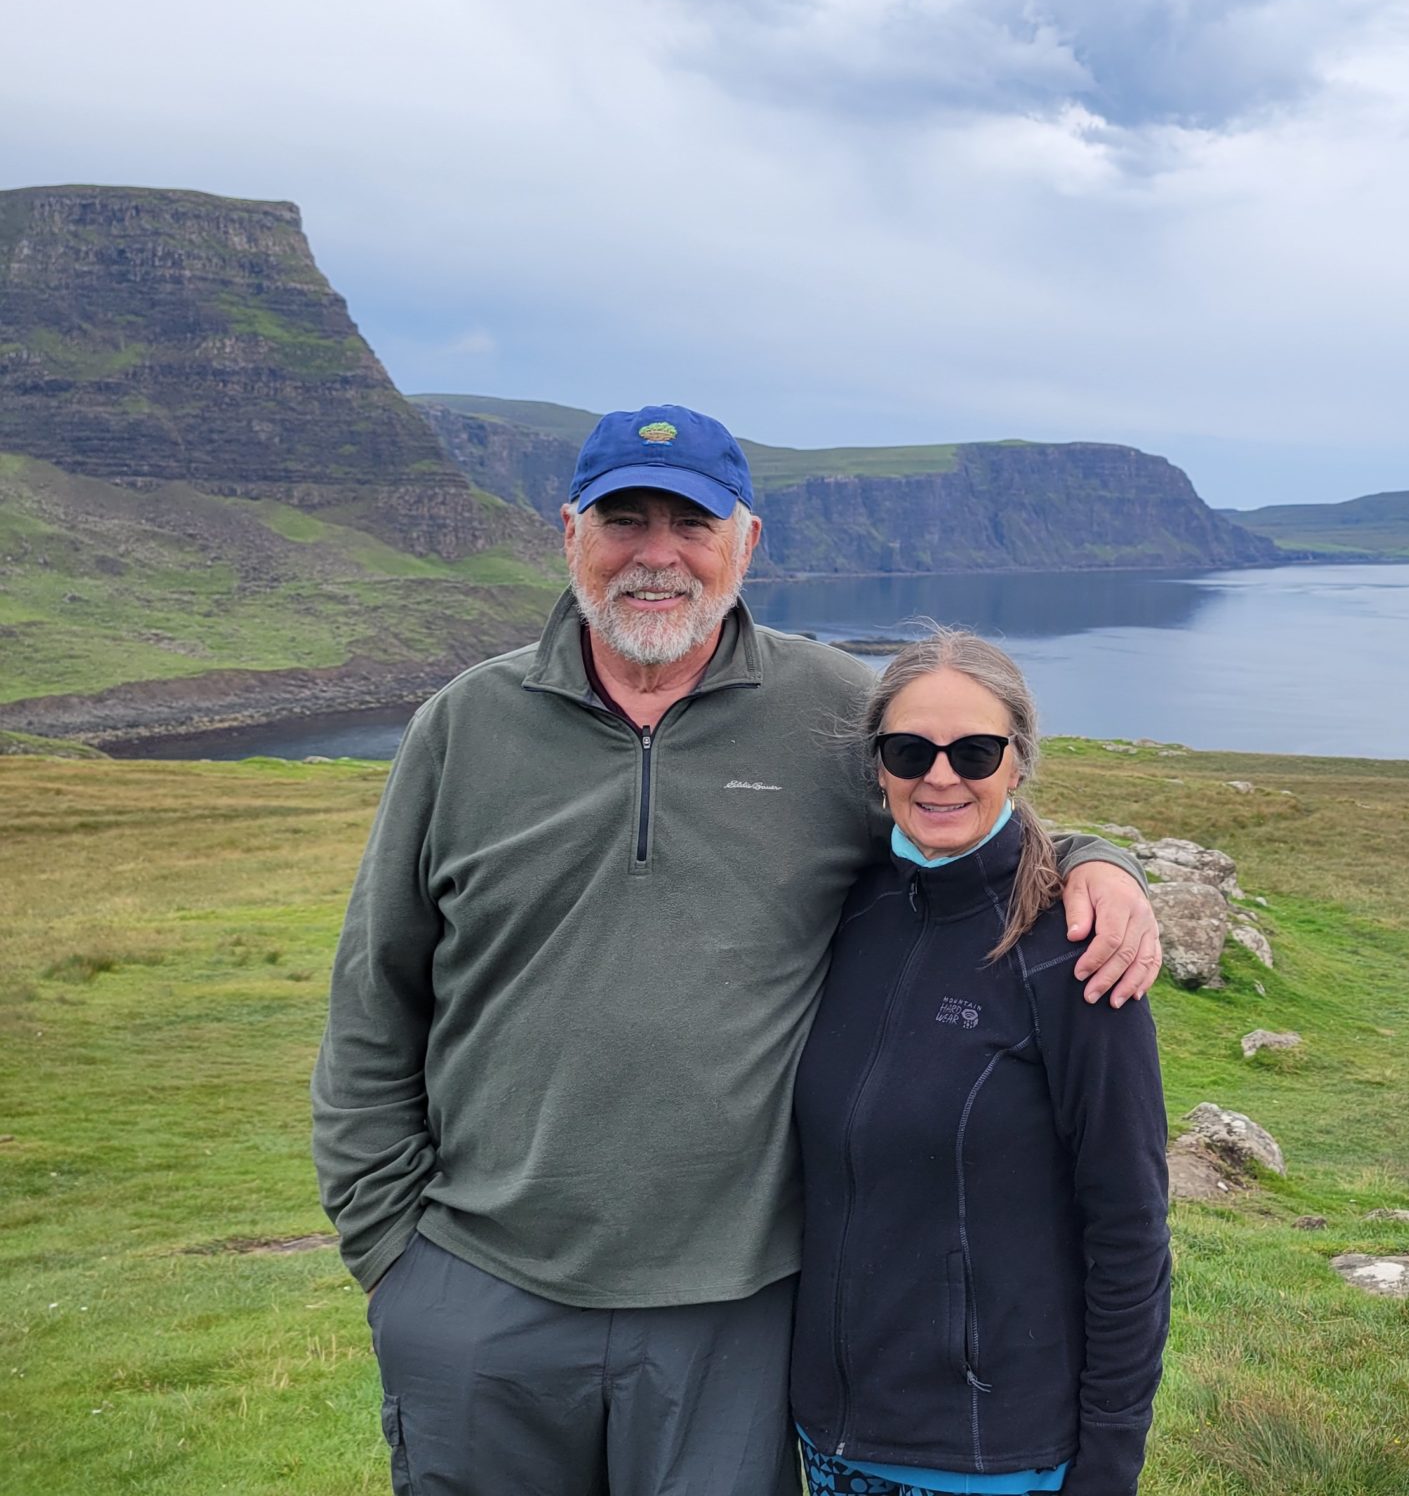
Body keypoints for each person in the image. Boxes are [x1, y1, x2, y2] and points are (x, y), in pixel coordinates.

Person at [312, 405, 1162, 1496]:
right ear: (569, 529)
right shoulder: (463, 725)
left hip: (736, 1313)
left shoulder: (832, 709)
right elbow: (374, 1000)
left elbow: (956, 795)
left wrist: (1098, 862)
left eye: (691, 524)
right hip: (483, 1291)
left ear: (745, 544)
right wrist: (395, 1260)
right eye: (625, 519)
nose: (656, 554)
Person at [792, 629, 1170, 1496]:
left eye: (974, 750)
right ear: (876, 763)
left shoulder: (1075, 953)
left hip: (992, 1454)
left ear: (1018, 761)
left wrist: (1109, 1463)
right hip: (833, 1435)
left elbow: (1130, 1229)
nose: (940, 775)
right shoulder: (851, 909)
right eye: (909, 750)